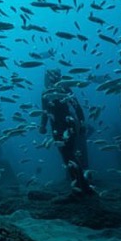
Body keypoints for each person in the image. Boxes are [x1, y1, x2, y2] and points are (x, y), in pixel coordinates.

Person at [39, 68, 94, 196]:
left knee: (69, 155)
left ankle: (80, 187)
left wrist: (82, 124)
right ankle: (80, 186)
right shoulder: (45, 93)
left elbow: (77, 107)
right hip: (56, 128)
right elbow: (45, 112)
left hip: (67, 125)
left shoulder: (64, 88)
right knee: (66, 157)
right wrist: (43, 125)